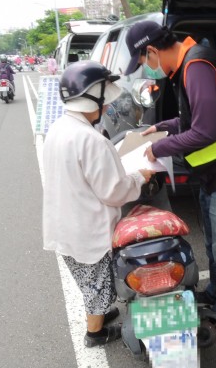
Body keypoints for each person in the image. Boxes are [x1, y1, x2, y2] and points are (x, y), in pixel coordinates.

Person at [124, 21, 216, 340]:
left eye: (144, 62)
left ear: (152, 50)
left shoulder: (197, 66)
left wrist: (157, 148)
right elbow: (195, 118)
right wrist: (163, 126)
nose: (148, 70)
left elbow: (205, 131)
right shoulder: (188, 66)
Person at [42, 60, 155, 348]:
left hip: (66, 223)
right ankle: (96, 333)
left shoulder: (58, 128)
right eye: (105, 100)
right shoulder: (91, 139)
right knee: (96, 286)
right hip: (86, 229)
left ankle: (101, 315)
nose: (107, 107)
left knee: (88, 282)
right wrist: (140, 177)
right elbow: (114, 192)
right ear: (93, 97)